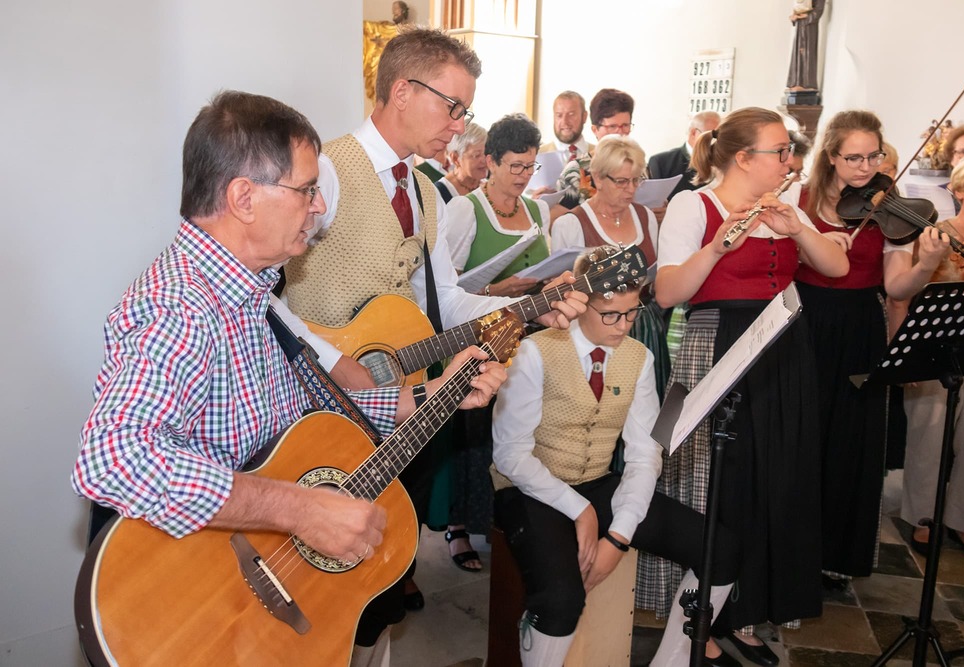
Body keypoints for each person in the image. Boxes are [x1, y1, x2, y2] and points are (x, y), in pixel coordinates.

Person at [70, 90, 508, 666]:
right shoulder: (181, 306)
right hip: (194, 610)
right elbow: (112, 458)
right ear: (243, 198)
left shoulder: (255, 295)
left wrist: (433, 394)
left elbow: (309, 411)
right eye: (306, 190)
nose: (320, 206)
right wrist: (301, 509)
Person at [282, 27, 586, 650]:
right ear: (402, 91)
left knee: (381, 577)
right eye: (452, 106)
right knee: (321, 582)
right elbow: (264, 296)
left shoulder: (425, 190)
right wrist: (341, 364)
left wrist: (532, 308)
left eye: (465, 110)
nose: (459, 125)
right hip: (320, 411)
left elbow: (442, 300)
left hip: (404, 412)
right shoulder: (329, 172)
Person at [651, 107, 848, 665]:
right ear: (743, 158)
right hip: (719, 343)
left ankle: (745, 611)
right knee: (720, 484)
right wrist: (718, 246)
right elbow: (667, 293)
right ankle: (701, 619)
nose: (790, 161)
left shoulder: (786, 205)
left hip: (782, 346)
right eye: (780, 151)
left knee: (775, 480)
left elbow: (835, 268)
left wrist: (798, 229)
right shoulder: (694, 205)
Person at [492, 246, 740, 667]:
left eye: (631, 313)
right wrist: (582, 511)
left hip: (595, 479)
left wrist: (618, 537)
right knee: (561, 599)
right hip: (529, 487)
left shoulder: (638, 357)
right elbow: (511, 456)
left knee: (722, 549)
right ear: (579, 302)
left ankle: (671, 662)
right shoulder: (535, 351)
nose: (623, 326)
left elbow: (644, 454)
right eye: (610, 315)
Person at [796, 110, 951, 585]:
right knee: (802, 437)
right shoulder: (798, 198)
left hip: (861, 324)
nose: (866, 167)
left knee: (850, 441)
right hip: (804, 320)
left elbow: (897, 286)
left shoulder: (889, 206)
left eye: (874, 156)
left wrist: (926, 264)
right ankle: (790, 550)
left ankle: (835, 556)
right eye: (854, 158)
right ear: (831, 156)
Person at [438, 112, 553, 572]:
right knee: (476, 434)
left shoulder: (539, 211)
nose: (524, 176)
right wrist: (495, 290)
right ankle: (460, 525)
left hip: (532, 336)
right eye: (515, 166)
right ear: (490, 162)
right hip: (481, 338)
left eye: (530, 166)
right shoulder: (465, 210)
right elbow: (442, 288)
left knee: (521, 432)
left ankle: (511, 521)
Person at [899, 152, 964, 562]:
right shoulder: (934, 235)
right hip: (935, 353)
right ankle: (923, 518)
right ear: (957, 188)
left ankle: (963, 520)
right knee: (929, 437)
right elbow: (904, 294)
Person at [551, 135, 670, 398]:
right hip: (594, 329)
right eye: (622, 181)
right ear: (598, 178)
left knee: (645, 401)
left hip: (644, 324)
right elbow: (565, 293)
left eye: (636, 180)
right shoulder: (571, 224)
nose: (631, 189)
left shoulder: (646, 216)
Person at [554, 88, 636, 212]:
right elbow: (557, 217)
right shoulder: (576, 171)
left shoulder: (638, 166)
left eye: (625, 126)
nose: (619, 133)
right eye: (612, 126)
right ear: (595, 130)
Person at [648, 111, 722, 199]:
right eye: (713, 136)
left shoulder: (724, 163)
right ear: (693, 133)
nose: (716, 142)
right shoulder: (661, 162)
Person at [435, 122, 487, 207]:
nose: (485, 160)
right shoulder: (439, 193)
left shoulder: (490, 187)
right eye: (477, 155)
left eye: (487, 153)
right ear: (455, 158)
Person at [539, 90, 592, 167]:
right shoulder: (537, 156)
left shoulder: (600, 155)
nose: (564, 121)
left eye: (571, 114)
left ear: (584, 117)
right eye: (559, 115)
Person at [786, 0, 826, 91]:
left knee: (807, 51)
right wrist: (794, 16)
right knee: (797, 52)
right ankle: (795, 81)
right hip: (800, 25)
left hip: (809, 26)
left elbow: (819, 10)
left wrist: (807, 16)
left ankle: (806, 83)